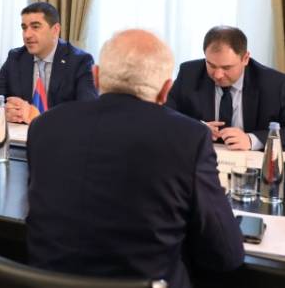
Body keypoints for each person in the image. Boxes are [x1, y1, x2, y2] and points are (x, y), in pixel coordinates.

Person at [26, 29, 244, 288]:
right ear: (165, 91)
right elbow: (226, 253)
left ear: (96, 77)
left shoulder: (44, 125)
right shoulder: (189, 138)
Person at [166, 25, 285, 151]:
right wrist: (195, 128)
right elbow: (165, 114)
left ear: (245, 59)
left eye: (226, 67)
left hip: (250, 160)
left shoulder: (274, 84)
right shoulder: (189, 74)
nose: (218, 75)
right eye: (211, 65)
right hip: (200, 156)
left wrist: (251, 140)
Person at [0, 1, 97, 122]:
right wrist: (1, 112)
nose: (27, 35)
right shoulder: (16, 58)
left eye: (35, 27)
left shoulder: (80, 61)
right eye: (24, 28)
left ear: (55, 30)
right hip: (20, 133)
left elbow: (88, 110)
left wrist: (40, 117)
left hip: (60, 132)